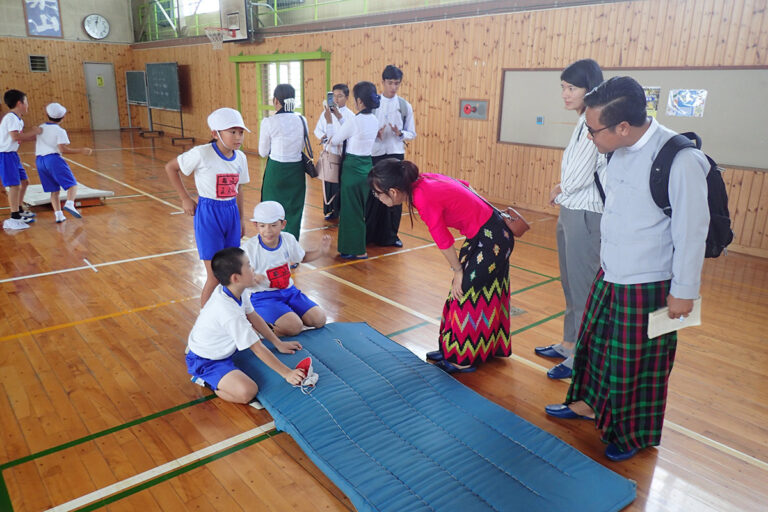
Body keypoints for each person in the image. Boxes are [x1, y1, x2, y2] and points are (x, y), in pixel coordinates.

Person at [545, 76, 710, 462]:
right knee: (596, 346)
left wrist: (684, 291)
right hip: (611, 271)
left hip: (649, 282)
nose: (589, 137)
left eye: (593, 130)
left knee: (638, 363)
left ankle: (632, 432)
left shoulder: (679, 159)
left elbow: (691, 231)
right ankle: (588, 403)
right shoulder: (616, 149)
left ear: (622, 126)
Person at [368, 159, 513, 374]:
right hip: (486, 234)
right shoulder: (423, 181)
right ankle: (456, 349)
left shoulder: (422, 197)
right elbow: (465, 185)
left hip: (493, 239)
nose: (377, 197)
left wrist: (458, 271)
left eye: (377, 194)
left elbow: (443, 240)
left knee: (465, 292)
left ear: (393, 192)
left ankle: (462, 359)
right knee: (467, 292)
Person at [535, 59, 606, 380]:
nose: (565, 94)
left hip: (586, 214)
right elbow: (574, 171)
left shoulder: (595, 121)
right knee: (569, 283)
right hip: (571, 208)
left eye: (572, 88)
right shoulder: (581, 121)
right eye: (563, 87)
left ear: (590, 89)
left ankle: (582, 355)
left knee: (583, 287)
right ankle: (569, 342)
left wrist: (562, 187)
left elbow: (581, 173)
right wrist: (562, 187)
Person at [185, 247, 306, 404]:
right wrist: (287, 373)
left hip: (223, 349)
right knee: (247, 392)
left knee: (252, 336)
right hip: (206, 360)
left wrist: (278, 343)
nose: (253, 268)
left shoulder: (236, 290)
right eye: (248, 265)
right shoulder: (229, 312)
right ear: (236, 278)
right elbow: (257, 348)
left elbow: (252, 315)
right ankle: (203, 379)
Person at [165, 107, 250, 307]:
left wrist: (241, 218)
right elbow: (171, 167)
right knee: (214, 275)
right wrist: (185, 198)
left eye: (241, 132)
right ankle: (205, 319)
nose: (238, 137)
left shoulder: (240, 158)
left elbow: (238, 189)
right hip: (209, 215)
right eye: (232, 132)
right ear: (215, 133)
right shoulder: (201, 154)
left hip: (231, 213)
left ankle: (231, 313)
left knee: (233, 273)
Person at [242, 200, 331, 336]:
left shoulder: (288, 239)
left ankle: (285, 314)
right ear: (256, 225)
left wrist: (321, 251)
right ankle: (261, 327)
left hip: (290, 292)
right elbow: (240, 277)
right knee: (294, 327)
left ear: (283, 224)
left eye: (273, 225)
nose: (268, 230)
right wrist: (253, 278)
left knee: (319, 319)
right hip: (264, 297)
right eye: (262, 226)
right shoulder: (249, 248)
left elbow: (302, 257)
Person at [325, 81, 380, 260]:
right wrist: (340, 117)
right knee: (358, 209)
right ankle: (353, 247)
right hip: (366, 167)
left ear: (359, 101)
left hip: (352, 168)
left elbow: (334, 140)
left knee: (350, 210)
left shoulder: (355, 121)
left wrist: (329, 122)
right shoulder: (374, 120)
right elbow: (352, 131)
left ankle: (356, 249)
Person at [366, 65, 416, 248]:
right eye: (390, 83)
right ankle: (369, 234)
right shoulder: (373, 105)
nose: (393, 87)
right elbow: (362, 130)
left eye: (397, 83)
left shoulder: (404, 106)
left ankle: (391, 236)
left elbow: (412, 133)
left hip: (395, 154)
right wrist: (374, 135)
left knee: (396, 195)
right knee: (374, 195)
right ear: (383, 82)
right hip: (376, 154)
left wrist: (400, 133)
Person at [259, 84, 309, 240]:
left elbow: (262, 152)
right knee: (294, 210)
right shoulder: (302, 119)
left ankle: (272, 244)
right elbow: (302, 145)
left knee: (271, 209)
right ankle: (291, 248)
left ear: (276, 100)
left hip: (276, 170)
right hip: (296, 170)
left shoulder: (269, 122)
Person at [34, 102, 93, 223]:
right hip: (53, 159)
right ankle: (70, 203)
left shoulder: (41, 127)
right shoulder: (60, 130)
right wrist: (81, 150)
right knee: (73, 185)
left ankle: (58, 215)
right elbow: (63, 149)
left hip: (39, 161)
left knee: (54, 190)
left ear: (47, 114)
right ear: (63, 117)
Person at [1, 89, 42, 231]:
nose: (28, 105)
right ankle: (13, 218)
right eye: (26, 102)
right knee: (15, 186)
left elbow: (20, 137)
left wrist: (37, 137)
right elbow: (15, 137)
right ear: (20, 103)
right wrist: (34, 132)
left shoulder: (18, 119)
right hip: (5, 155)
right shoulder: (11, 118)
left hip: (13, 155)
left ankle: (18, 210)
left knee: (24, 182)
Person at [314, 83, 354, 220]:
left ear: (347, 97)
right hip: (330, 154)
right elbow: (317, 130)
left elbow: (350, 135)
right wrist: (323, 136)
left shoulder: (350, 116)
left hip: (343, 155)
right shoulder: (325, 113)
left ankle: (341, 210)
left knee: (341, 184)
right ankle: (330, 210)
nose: (336, 99)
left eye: (340, 96)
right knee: (329, 183)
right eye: (334, 96)